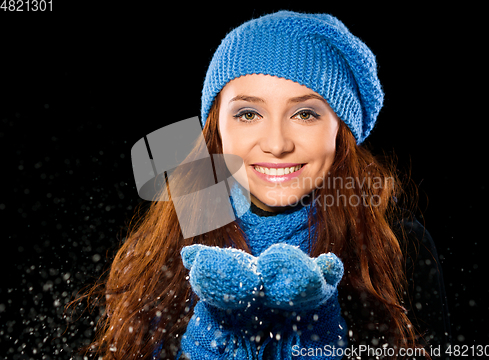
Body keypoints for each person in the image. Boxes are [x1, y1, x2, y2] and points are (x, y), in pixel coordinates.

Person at [71, 10, 451, 360]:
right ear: (216, 130)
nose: (276, 143)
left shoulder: (398, 249)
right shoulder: (162, 250)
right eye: (248, 113)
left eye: (305, 114)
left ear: (341, 132)